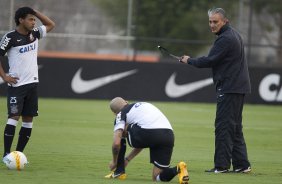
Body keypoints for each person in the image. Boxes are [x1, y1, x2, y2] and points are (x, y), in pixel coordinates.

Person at [179, 8, 251, 173]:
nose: (212, 25)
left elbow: (210, 60)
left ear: (225, 21)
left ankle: (221, 166)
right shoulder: (234, 35)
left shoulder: (225, 39)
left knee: (224, 127)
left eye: (215, 22)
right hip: (237, 87)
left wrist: (189, 60)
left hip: (229, 87)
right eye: (210, 22)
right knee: (234, 127)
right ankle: (242, 165)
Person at [0, 7, 55, 159]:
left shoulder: (35, 34)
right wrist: (5, 76)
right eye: (30, 19)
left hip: (32, 85)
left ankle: (18, 154)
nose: (33, 22)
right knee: (13, 118)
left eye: (34, 19)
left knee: (28, 120)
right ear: (21, 20)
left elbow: (51, 25)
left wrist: (35, 12)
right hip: (17, 86)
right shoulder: (10, 37)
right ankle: (6, 154)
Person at [105, 97, 189, 184]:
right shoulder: (143, 104)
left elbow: (116, 144)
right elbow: (144, 139)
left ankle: (119, 170)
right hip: (168, 135)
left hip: (149, 133)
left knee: (121, 131)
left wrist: (114, 161)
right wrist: (127, 159)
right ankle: (179, 168)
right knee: (157, 177)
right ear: (126, 102)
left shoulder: (121, 114)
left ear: (114, 113)